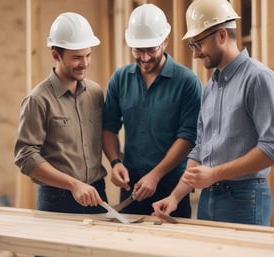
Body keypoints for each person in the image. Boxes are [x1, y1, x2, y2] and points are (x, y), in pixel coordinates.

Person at [153, 0, 274, 226]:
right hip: (208, 198)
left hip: (245, 198)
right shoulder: (210, 87)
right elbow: (200, 149)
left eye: (198, 44)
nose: (196, 54)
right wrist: (175, 197)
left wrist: (214, 174)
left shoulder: (258, 78)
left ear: (222, 35)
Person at [102, 3, 202, 218]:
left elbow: (188, 136)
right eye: (138, 50)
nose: (145, 57)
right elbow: (109, 126)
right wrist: (115, 162)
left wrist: (156, 175)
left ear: (165, 41)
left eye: (151, 49)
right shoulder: (120, 79)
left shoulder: (187, 82)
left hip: (172, 187)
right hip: (131, 186)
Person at [14, 12, 107, 214]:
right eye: (76, 58)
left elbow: (103, 136)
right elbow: (26, 156)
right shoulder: (38, 100)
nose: (85, 63)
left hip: (97, 193)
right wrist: (74, 184)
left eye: (88, 55)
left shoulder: (95, 92)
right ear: (56, 55)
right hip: (57, 199)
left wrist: (117, 162)